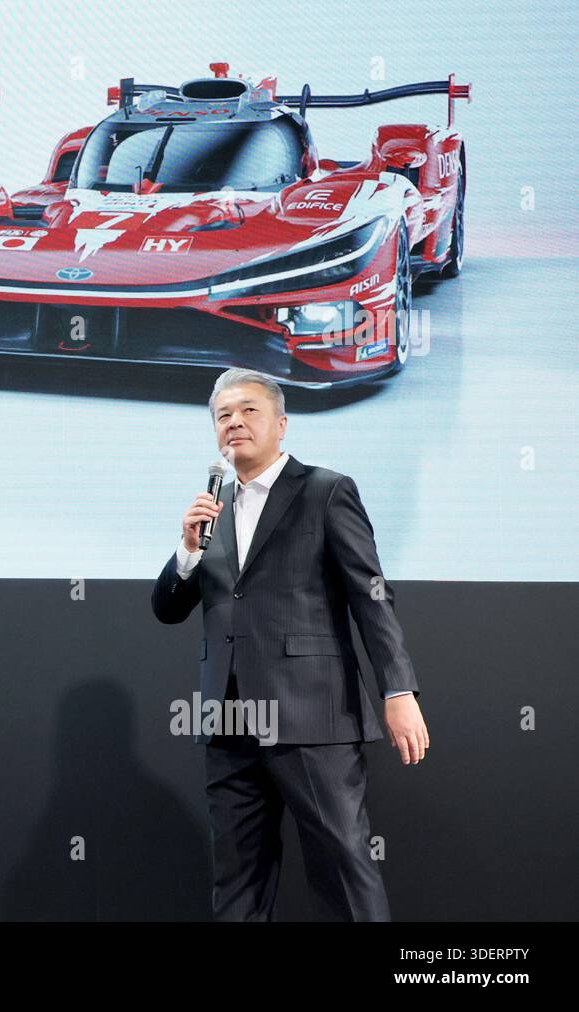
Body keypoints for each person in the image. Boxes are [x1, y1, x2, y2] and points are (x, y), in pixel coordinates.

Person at [151, 368, 428, 922]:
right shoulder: (212, 509)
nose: (234, 422)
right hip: (229, 719)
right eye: (223, 415)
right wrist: (185, 552)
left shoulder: (326, 490)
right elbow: (167, 608)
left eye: (248, 410)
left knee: (343, 867)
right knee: (238, 880)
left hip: (311, 714)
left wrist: (398, 689)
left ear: (281, 424)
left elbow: (372, 597)